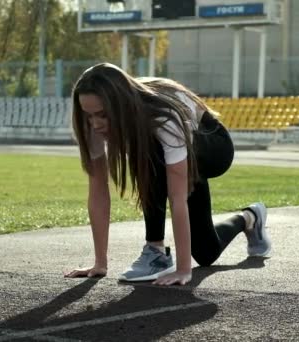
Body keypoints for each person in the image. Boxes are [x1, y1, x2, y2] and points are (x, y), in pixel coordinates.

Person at [64, 63, 271, 286]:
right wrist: (99, 263)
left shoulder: (162, 117)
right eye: (88, 115)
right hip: (177, 153)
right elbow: (98, 193)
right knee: (205, 252)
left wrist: (183, 270)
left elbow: (177, 197)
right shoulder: (90, 125)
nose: (95, 124)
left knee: (149, 153)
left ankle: (156, 251)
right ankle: (251, 218)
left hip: (213, 147)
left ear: (121, 105)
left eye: (103, 115)